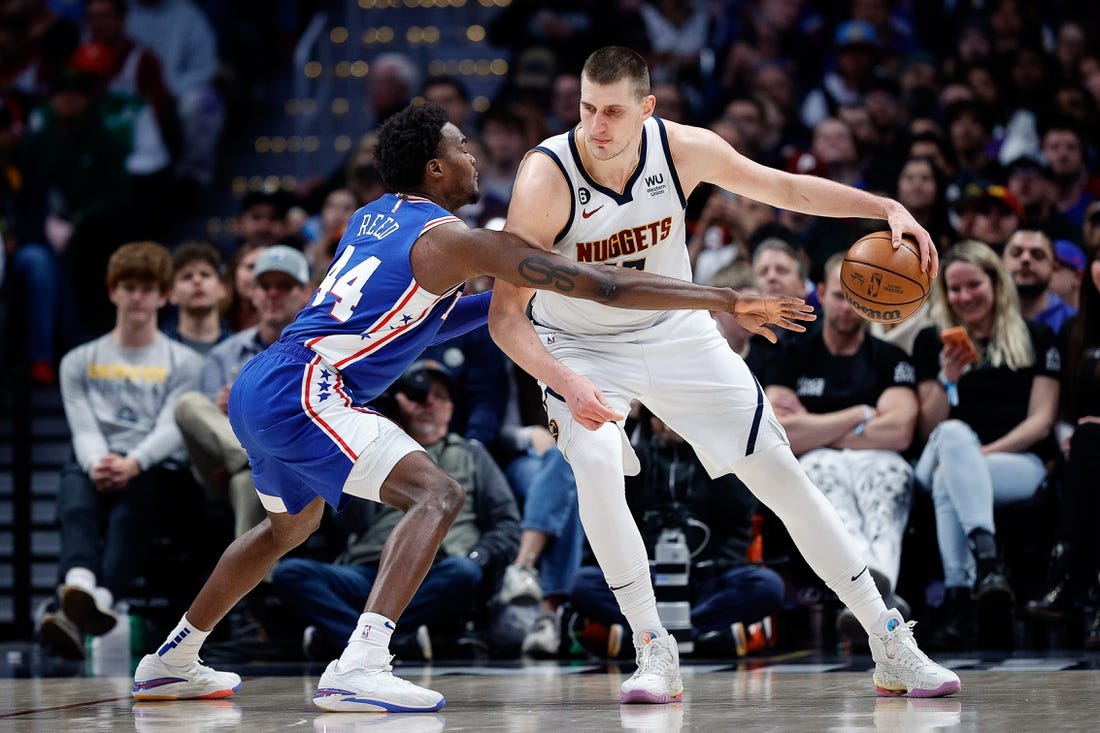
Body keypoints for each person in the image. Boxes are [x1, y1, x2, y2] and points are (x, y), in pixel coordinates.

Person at [131, 101, 813, 712]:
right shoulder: (453, 239)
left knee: (287, 531)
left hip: (266, 381)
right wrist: (724, 299)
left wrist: (533, 301)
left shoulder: (375, 217)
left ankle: (173, 657)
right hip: (307, 389)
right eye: (460, 146)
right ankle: (364, 661)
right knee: (438, 493)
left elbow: (429, 317)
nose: (473, 154)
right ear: (434, 168)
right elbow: (598, 284)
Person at [489, 46, 959, 704]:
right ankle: (654, 648)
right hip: (579, 345)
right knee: (595, 462)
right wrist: (563, 382)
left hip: (677, 331)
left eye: (613, 112)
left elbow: (784, 187)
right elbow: (505, 318)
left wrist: (884, 207)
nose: (596, 125)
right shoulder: (546, 178)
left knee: (782, 476)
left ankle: (889, 639)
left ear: (647, 109)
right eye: (587, 109)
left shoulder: (680, 149)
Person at [272, 360, 520, 661]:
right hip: (368, 568)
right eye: (418, 394)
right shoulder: (374, 453)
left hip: (437, 569)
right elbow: (347, 517)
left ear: (452, 408)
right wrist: (377, 417)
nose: (429, 402)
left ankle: (344, 640)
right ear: (401, 401)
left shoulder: (471, 454)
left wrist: (478, 556)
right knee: (291, 573)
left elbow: (506, 523)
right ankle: (395, 643)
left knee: (464, 573)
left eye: (440, 396)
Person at [37, 241, 205, 660]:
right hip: (99, 461)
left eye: (147, 288)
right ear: (113, 291)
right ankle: (87, 591)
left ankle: (85, 601)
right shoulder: (78, 360)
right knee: (75, 489)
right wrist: (99, 463)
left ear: (164, 295)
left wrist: (133, 463)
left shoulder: (185, 362)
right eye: (128, 286)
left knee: (135, 503)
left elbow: (172, 426)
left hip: (155, 468)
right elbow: (83, 427)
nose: (136, 296)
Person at [912, 240, 1061, 650]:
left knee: (951, 477)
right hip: (939, 454)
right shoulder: (931, 341)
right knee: (953, 436)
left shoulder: (1038, 336)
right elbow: (928, 428)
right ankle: (989, 564)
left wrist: (976, 460)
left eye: (973, 285)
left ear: (996, 283)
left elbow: (1042, 420)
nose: (964, 297)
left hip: (1016, 461)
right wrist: (948, 380)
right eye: (955, 289)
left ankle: (960, 599)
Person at [764, 253, 919, 644]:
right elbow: (781, 433)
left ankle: (863, 598)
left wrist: (816, 426)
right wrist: (861, 414)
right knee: (823, 475)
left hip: (882, 460)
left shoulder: (890, 358)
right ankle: (881, 597)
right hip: (817, 461)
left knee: (882, 481)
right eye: (839, 295)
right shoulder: (793, 356)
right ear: (821, 294)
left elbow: (900, 431)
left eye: (857, 297)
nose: (848, 306)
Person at [568, 406, 786, 658]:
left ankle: (655, 638)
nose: (670, 425)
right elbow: (605, 482)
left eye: (677, 415)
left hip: (709, 578)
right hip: (648, 579)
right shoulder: (637, 458)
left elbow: (739, 507)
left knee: (767, 586)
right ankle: (699, 639)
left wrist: (702, 440)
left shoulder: (720, 460)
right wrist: (630, 420)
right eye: (661, 416)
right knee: (583, 583)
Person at [174, 245, 313, 539]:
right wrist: (224, 407)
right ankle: (255, 457)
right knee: (189, 404)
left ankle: (258, 585)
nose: (272, 294)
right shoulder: (224, 354)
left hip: (290, 468)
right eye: (265, 286)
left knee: (248, 483)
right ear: (253, 293)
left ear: (306, 292)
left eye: (284, 286)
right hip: (228, 460)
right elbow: (208, 429)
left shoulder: (320, 352)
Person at [1001, 228, 1076, 333]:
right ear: (1000, 263)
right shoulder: (984, 315)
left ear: (1054, 269)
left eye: (1038, 255)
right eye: (1016, 253)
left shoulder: (1074, 322)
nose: (1025, 258)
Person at [162, 241, 230, 356]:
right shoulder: (161, 349)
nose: (197, 281)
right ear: (171, 294)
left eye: (205, 274)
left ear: (222, 289)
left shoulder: (241, 349)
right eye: (187, 276)